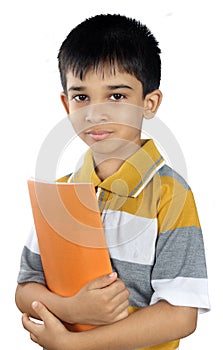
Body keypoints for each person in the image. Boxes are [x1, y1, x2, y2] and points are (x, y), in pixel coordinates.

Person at [15, 14, 210, 350]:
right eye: (81, 97)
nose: (95, 113)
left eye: (116, 96)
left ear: (149, 103)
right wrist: (70, 308)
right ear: (66, 105)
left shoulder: (170, 195)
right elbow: (26, 287)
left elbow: (180, 315)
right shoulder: (58, 194)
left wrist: (76, 344)